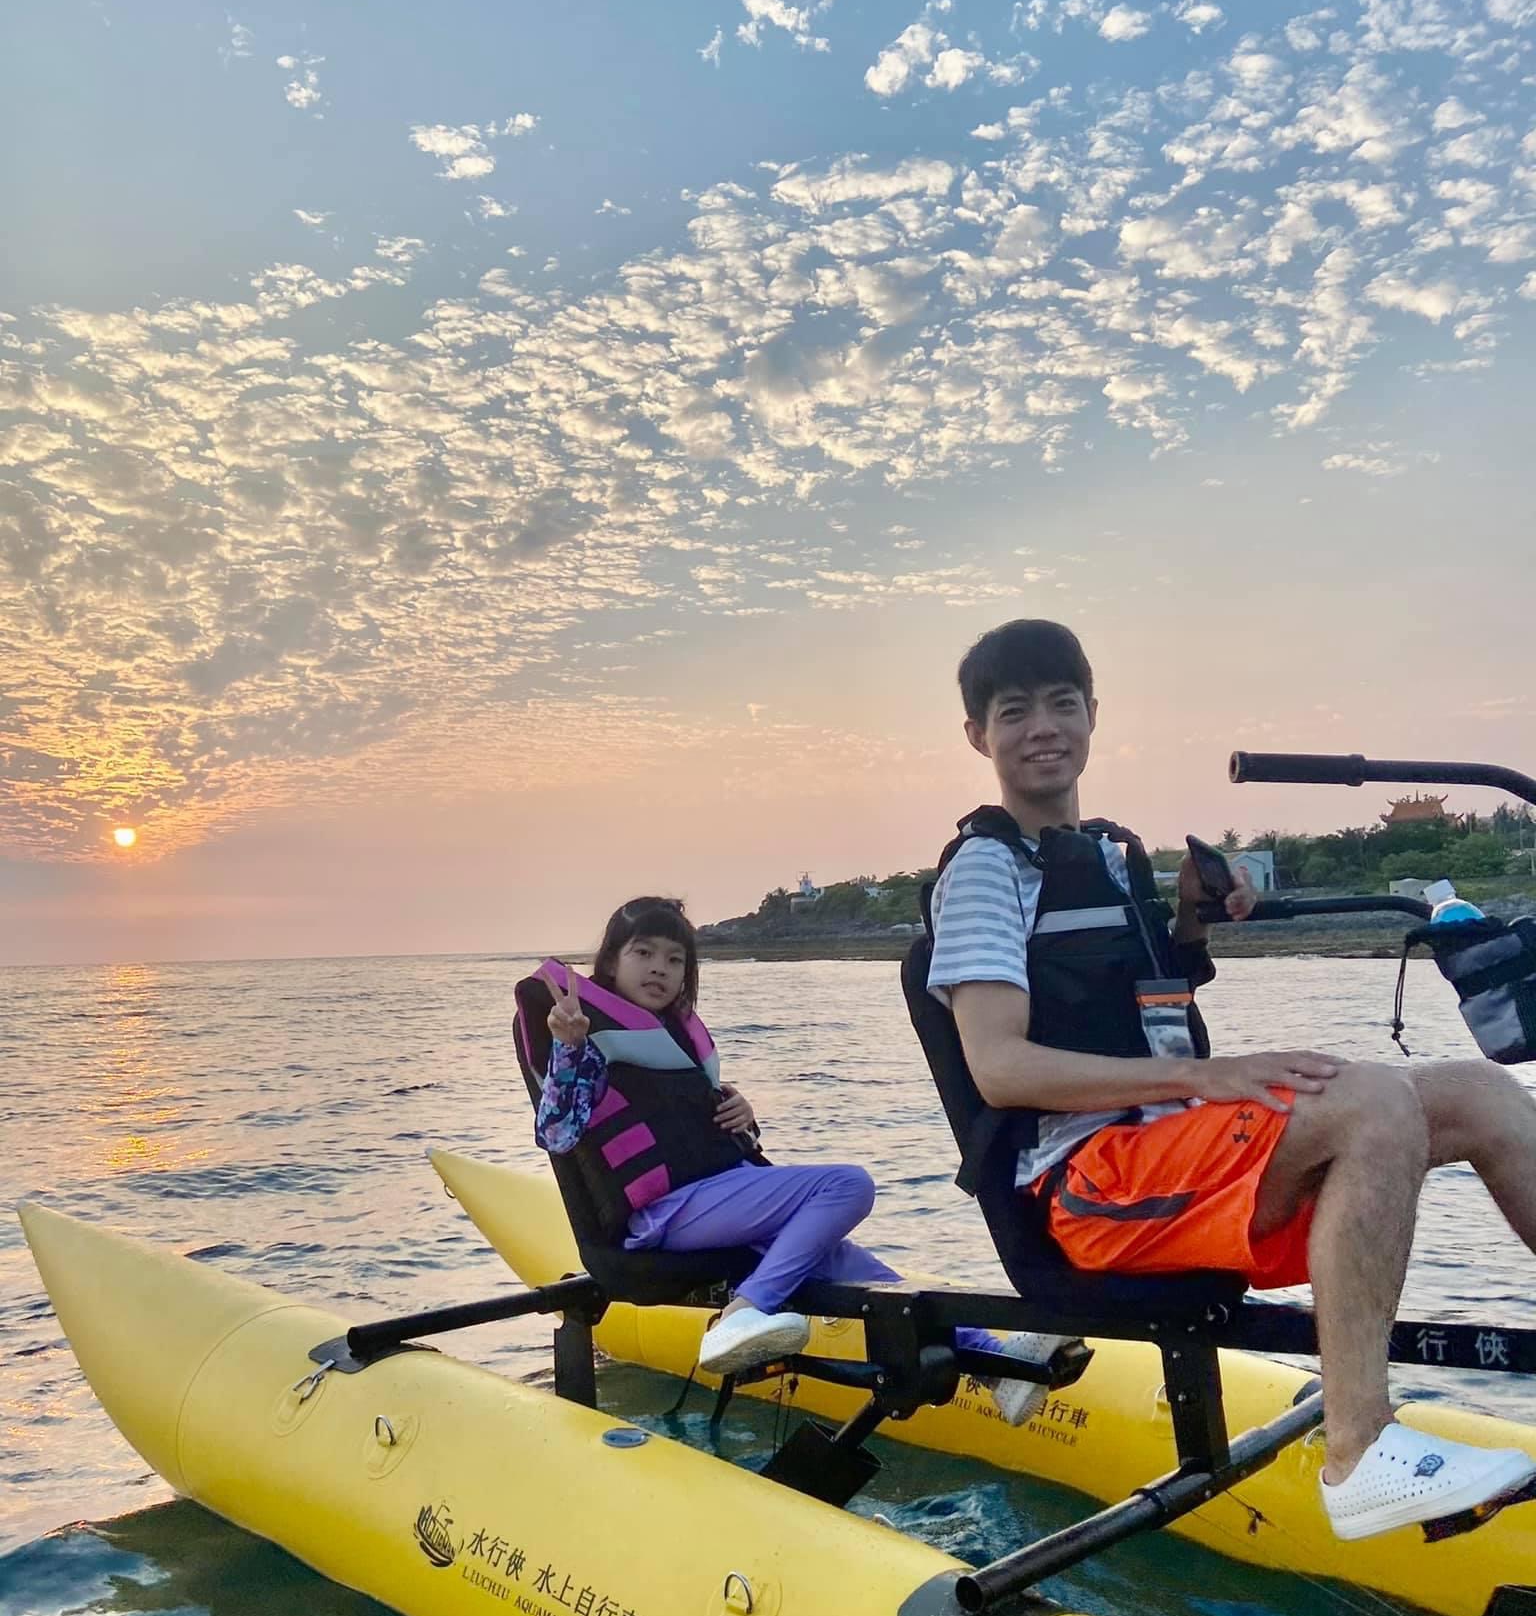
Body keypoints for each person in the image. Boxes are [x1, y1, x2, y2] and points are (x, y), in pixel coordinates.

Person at [928, 617, 1536, 1542]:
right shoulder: (983, 871)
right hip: (1089, 1188)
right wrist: (1208, 1076)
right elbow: (1000, 1067)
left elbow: (1123, 999)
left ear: (1093, 714)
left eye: (1062, 703)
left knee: (1482, 1096)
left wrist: (1192, 919)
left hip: (1174, 1163)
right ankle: (1360, 1453)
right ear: (979, 735)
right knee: (1370, 1101)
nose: (1042, 727)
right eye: (1014, 712)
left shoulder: (1108, 857)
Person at [526, 894, 1060, 1413]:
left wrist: (743, 1115)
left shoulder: (675, 1042)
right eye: (642, 953)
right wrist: (568, 1046)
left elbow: (695, 1132)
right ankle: (746, 1312)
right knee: (847, 1185)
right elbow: (556, 1133)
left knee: (862, 1272)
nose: (659, 969)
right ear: (611, 962)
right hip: (666, 1214)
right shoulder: (590, 1043)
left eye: (674, 959)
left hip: (720, 1200)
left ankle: (997, 1368)